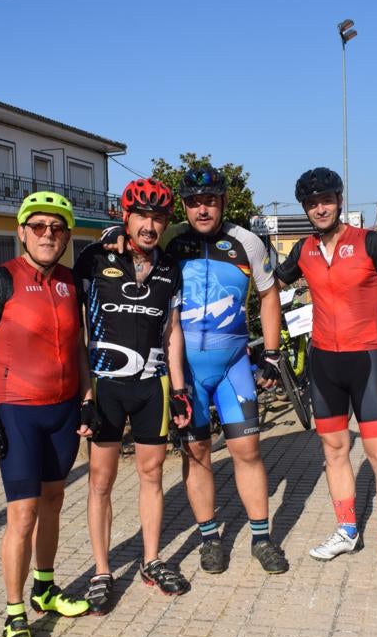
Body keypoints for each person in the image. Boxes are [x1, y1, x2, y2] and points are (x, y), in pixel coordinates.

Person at [104, 165, 289, 575]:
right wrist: (112, 233)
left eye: (210, 202)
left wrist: (272, 353)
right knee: (197, 452)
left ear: (222, 203)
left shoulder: (247, 242)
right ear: (184, 207)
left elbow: (269, 296)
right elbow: (135, 241)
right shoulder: (170, 239)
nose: (202, 210)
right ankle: (209, 538)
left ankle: (262, 538)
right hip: (186, 371)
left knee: (247, 451)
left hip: (233, 366)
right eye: (193, 203)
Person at [0, 191, 92, 637]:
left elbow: (77, 348)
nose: (47, 235)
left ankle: (45, 589)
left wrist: (87, 400)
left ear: (67, 236)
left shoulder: (71, 283)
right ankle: (15, 616)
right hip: (17, 412)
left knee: (54, 502)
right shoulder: (1, 281)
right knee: (23, 514)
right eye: (38, 227)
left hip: (63, 411)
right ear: (22, 232)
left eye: (56, 228)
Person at [274, 167, 377, 586]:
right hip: (324, 365)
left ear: (339, 201)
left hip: (366, 364)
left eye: (326, 200)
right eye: (311, 203)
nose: (320, 208)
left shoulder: (370, 242)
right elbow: (269, 284)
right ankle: (347, 530)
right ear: (305, 209)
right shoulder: (303, 250)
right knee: (334, 451)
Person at [73, 178, 192, 614]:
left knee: (152, 474)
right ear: (125, 217)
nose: (149, 225)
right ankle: (102, 571)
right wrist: (84, 394)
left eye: (158, 217)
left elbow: (172, 332)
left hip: (152, 385)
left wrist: (179, 390)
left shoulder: (169, 268)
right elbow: (75, 330)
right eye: (141, 215)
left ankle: (151, 560)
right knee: (100, 481)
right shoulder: (94, 259)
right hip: (105, 385)